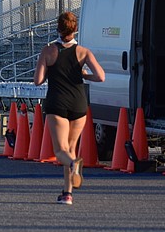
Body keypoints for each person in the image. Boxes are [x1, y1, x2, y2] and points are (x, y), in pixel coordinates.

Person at [33, 11, 105, 205]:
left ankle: (73, 166)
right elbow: (101, 76)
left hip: (57, 102)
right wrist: (83, 75)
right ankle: (67, 193)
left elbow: (38, 81)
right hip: (78, 103)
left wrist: (49, 70)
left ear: (58, 28)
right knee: (71, 148)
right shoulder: (83, 51)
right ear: (75, 29)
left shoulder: (48, 50)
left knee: (60, 151)